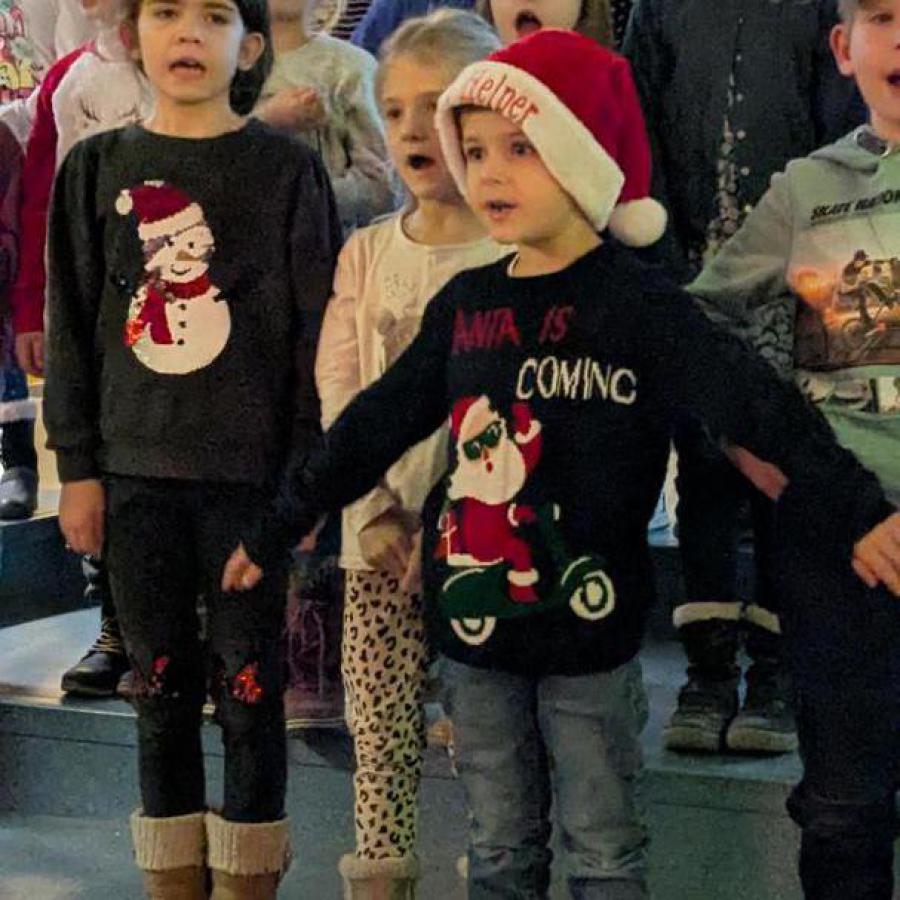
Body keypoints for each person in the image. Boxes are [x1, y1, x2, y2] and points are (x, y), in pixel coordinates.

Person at [223, 29, 900, 899]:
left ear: (581, 158)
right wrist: (283, 522)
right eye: (475, 152)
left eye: (521, 149)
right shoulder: (467, 305)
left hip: (592, 651)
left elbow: (764, 411)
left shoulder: (641, 305)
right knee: (500, 852)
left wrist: (857, 511)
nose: (489, 173)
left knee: (605, 852)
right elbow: (373, 425)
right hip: (477, 645)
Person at [42, 0, 341, 893]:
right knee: (160, 696)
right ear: (132, 35)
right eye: (166, 11)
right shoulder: (95, 168)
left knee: (251, 697)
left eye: (213, 15)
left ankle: (248, 881)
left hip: (251, 489)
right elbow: (72, 328)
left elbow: (316, 337)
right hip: (134, 481)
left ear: (248, 47)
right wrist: (77, 469)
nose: (187, 32)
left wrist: (305, 486)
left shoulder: (287, 170)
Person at [688, 0, 900, 893]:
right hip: (838, 549)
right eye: (884, 15)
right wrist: (769, 465)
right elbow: (699, 330)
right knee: (846, 809)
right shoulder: (806, 188)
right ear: (844, 47)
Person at [624, 0, 866, 754]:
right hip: (695, 282)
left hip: (798, 288)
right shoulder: (661, 9)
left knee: (785, 478)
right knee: (703, 475)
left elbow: (840, 131)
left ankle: (776, 672)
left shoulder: (818, 7)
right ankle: (707, 671)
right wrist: (665, 265)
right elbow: (640, 131)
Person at [314, 9, 502, 896]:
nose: (415, 129)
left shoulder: (516, 251)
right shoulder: (367, 254)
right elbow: (341, 394)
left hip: (489, 550)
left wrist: (455, 525)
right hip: (379, 544)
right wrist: (373, 509)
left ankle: (497, 875)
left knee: (492, 743)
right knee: (381, 738)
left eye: (439, 106)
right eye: (395, 111)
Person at [11, 0, 154, 698]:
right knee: (104, 466)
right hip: (98, 316)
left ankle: (179, 627)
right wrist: (34, 307)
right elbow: (46, 203)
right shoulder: (71, 79)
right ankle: (115, 624)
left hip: (179, 312)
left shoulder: (189, 65)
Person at [257, 0, 395, 233]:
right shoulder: (220, 65)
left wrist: (300, 201)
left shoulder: (351, 68)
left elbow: (381, 189)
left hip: (327, 245)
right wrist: (265, 121)